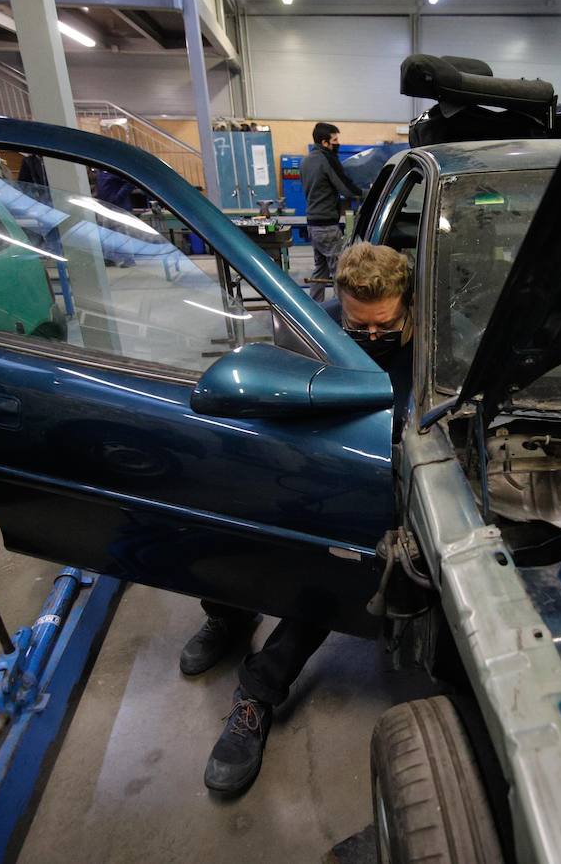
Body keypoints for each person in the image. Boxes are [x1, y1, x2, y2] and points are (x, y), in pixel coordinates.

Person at [187, 242, 413, 795]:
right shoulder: (309, 331)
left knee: (327, 580)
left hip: (392, 483)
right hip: (318, 466)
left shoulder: (435, 339)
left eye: (387, 327)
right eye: (361, 329)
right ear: (340, 306)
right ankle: (229, 615)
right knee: (229, 523)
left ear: (406, 304)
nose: (375, 339)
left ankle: (258, 692)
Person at [300, 122, 364, 302]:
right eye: (335, 140)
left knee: (320, 269)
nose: (338, 143)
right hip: (327, 226)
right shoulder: (326, 159)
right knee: (340, 272)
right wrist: (367, 194)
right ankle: (342, 313)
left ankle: (314, 308)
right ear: (324, 142)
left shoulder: (306, 161)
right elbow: (345, 188)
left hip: (313, 225)